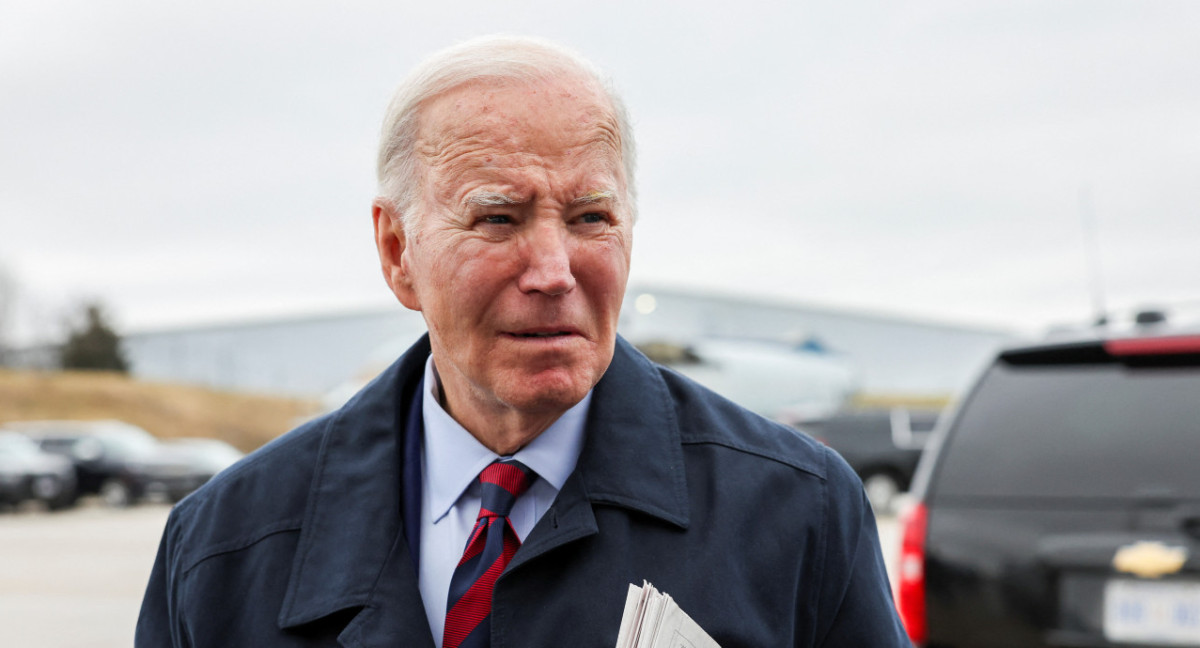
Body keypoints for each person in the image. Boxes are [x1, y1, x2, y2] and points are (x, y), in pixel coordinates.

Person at [136, 35, 910, 647]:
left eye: (590, 218)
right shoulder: (226, 548)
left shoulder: (793, 512)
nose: (553, 270)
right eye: (498, 218)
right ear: (398, 251)